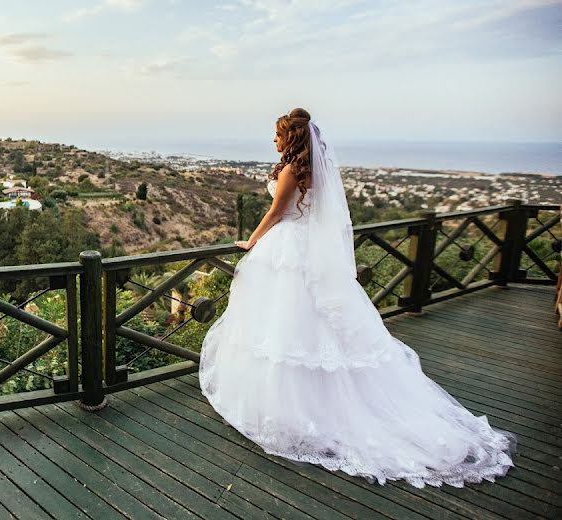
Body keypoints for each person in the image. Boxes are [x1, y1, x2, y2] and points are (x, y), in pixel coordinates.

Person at [198, 108, 516, 488]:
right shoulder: (318, 170)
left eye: (278, 135)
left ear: (291, 138)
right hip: (311, 252)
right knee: (310, 329)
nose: (274, 140)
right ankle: (315, 399)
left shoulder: (288, 172)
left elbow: (276, 213)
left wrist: (251, 241)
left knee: (286, 327)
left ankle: (291, 408)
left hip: (288, 252)